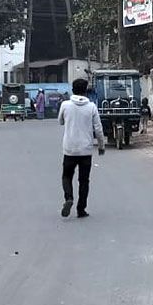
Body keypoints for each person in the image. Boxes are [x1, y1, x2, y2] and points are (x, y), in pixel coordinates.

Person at [58, 78, 105, 218]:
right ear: (86, 91)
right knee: (84, 180)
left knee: (66, 176)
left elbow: (60, 121)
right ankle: (81, 209)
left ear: (73, 89)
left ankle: (69, 198)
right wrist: (101, 146)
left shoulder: (65, 105)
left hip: (70, 148)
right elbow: (98, 128)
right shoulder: (91, 107)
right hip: (86, 150)